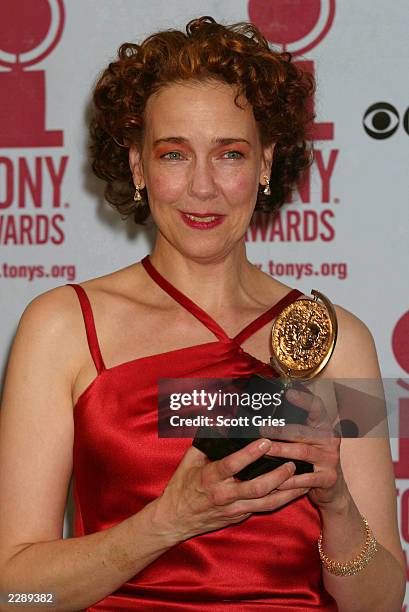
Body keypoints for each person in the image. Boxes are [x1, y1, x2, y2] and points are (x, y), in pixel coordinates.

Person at [0, 15, 405, 612]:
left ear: (265, 164)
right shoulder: (61, 326)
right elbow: (17, 592)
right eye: (173, 155)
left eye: (230, 154)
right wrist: (168, 521)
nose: (203, 187)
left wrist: (337, 503)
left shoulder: (334, 340)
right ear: (138, 166)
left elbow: (383, 601)